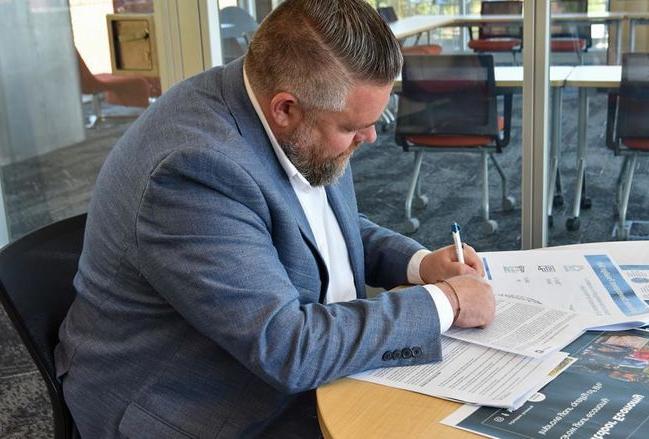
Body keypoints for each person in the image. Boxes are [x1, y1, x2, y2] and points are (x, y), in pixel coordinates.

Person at [55, 0, 496, 437]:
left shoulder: (290, 104)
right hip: (198, 407)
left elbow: (325, 223)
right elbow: (287, 348)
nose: (370, 136)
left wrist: (419, 265)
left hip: (297, 359)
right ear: (285, 109)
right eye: (351, 127)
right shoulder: (194, 170)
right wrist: (447, 303)